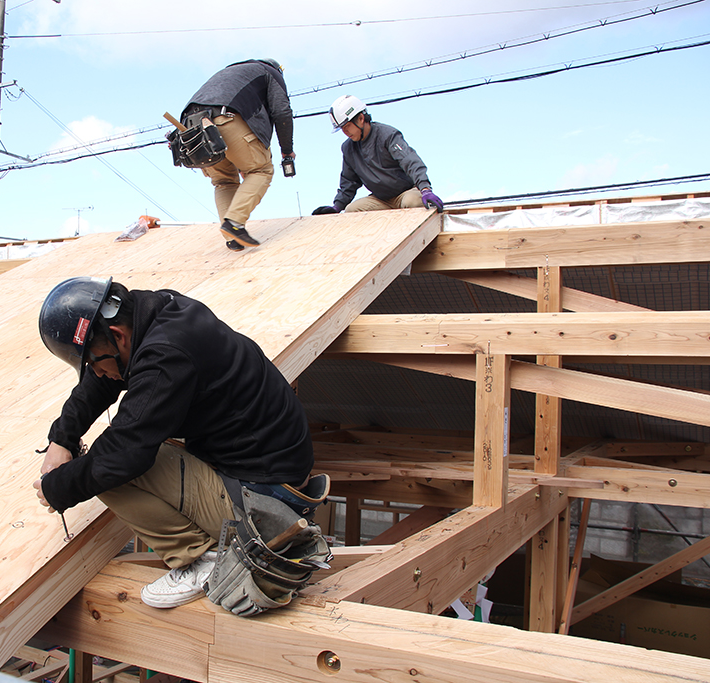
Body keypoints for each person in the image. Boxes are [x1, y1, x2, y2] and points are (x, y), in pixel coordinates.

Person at [34, 277, 326, 612]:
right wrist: (62, 438)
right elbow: (103, 379)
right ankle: (210, 542)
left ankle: (203, 557)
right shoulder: (155, 313)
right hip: (272, 479)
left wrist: (57, 488)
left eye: (94, 361)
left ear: (117, 336)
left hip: (262, 506)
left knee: (106, 469)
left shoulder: (165, 356)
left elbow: (122, 456)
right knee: (120, 446)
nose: (97, 373)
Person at [180, 58, 296, 251]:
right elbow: (281, 111)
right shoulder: (271, 72)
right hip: (225, 117)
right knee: (261, 170)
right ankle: (234, 223)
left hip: (194, 127)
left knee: (223, 181)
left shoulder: (228, 74)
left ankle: (231, 236)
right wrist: (286, 149)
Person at [313, 95, 443, 215]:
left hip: (405, 193)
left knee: (412, 202)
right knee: (352, 210)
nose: (345, 132)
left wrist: (425, 189)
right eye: (342, 129)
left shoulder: (387, 135)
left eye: (347, 126)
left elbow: (411, 162)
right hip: (380, 199)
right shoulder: (348, 148)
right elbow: (349, 182)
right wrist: (336, 207)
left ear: (361, 119)